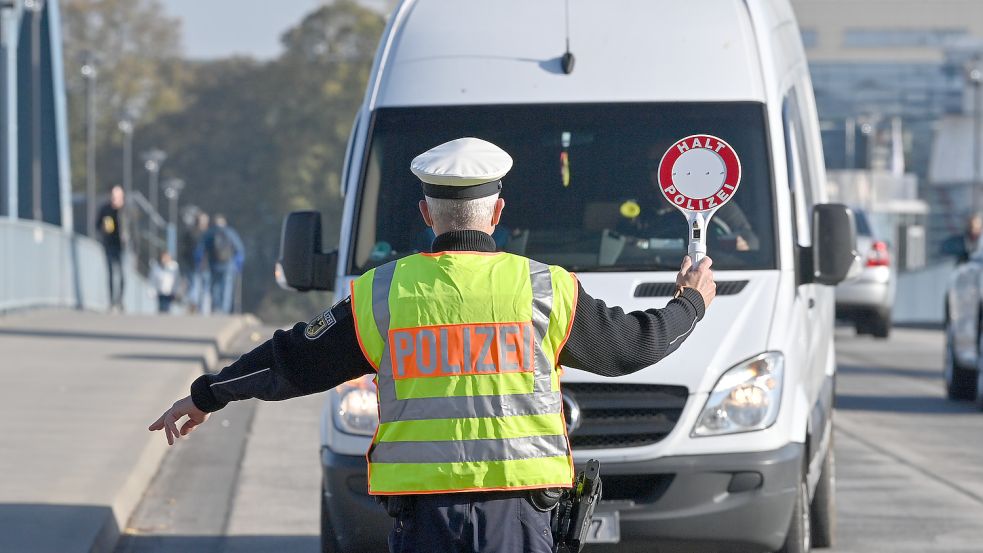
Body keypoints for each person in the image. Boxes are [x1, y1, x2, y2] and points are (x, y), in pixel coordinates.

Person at [149, 138, 716, 553]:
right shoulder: (545, 289)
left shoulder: (382, 294)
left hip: (423, 523)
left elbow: (291, 359)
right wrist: (690, 301)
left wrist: (206, 396)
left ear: (426, 214)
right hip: (517, 518)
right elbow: (631, 348)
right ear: (497, 212)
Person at [195, 214, 244, 314]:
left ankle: (216, 307)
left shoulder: (209, 233)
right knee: (227, 287)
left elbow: (200, 250)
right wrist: (238, 265)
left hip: (213, 263)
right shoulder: (230, 232)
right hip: (228, 264)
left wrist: (199, 263)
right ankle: (224, 309)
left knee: (214, 286)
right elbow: (239, 249)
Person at [97, 186, 126, 311]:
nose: (115, 199)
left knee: (122, 275)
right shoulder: (105, 210)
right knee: (110, 273)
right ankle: (111, 301)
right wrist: (103, 229)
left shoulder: (126, 211)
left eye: (118, 197)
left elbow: (133, 229)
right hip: (109, 245)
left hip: (123, 247)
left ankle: (120, 300)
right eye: (113, 197)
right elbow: (97, 225)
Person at [183, 211, 211, 313]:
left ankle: (196, 306)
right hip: (199, 265)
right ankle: (197, 307)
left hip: (200, 264)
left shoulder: (190, 232)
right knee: (198, 287)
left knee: (196, 286)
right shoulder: (207, 234)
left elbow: (184, 249)